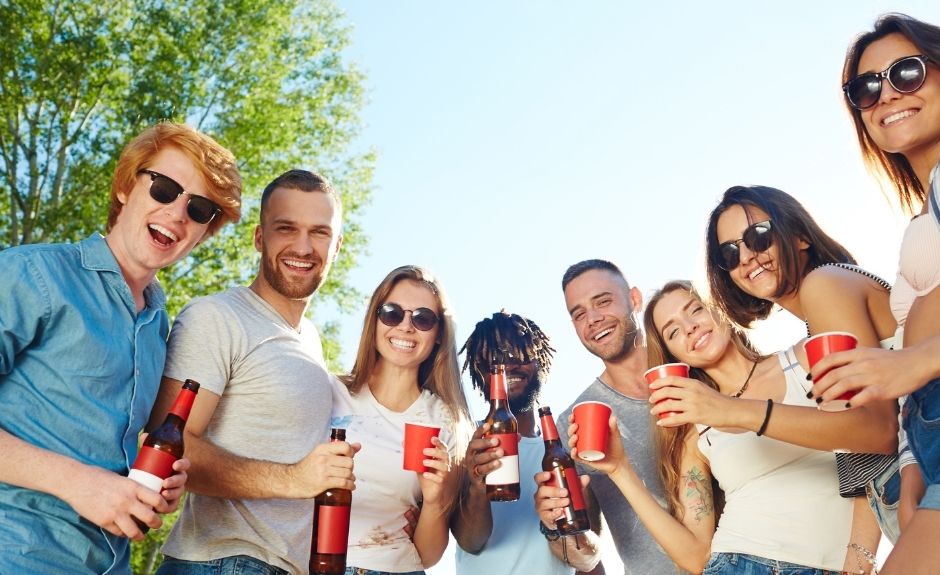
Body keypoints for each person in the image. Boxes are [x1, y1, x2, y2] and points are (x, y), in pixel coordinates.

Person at [0, 122, 242, 574]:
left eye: (200, 208)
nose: (176, 213)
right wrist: (75, 482)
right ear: (129, 187)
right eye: (165, 188)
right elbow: (81, 476)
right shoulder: (33, 275)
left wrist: (158, 482)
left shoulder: (157, 326)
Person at [150, 169, 358, 575]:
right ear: (260, 238)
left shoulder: (309, 340)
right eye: (286, 228)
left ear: (336, 246)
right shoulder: (217, 317)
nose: (303, 246)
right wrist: (296, 480)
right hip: (224, 561)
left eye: (319, 232)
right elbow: (170, 445)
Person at [704, 184, 903, 560]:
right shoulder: (820, 316)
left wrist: (732, 412)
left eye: (757, 236)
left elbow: (877, 431)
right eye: (729, 253)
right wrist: (858, 558)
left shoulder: (823, 285)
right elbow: (865, 446)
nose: (746, 257)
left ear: (798, 236)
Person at [810, 13, 940, 574]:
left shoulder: (830, 283)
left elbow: (868, 425)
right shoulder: (923, 214)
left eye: (906, 72)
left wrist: (914, 362)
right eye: (865, 87)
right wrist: (915, 464)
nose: (885, 93)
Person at [611, 280, 853, 574]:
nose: (689, 328)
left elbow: (869, 443)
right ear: (674, 356)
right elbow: (695, 557)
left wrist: (862, 557)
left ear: (719, 308)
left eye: (695, 310)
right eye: (673, 331)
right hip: (737, 564)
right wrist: (619, 470)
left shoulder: (802, 360)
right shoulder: (696, 428)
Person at [332, 265, 473, 575]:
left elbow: (427, 556)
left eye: (423, 318)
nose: (406, 327)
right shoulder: (329, 391)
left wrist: (435, 502)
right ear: (375, 319)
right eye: (392, 312)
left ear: (438, 335)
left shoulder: (447, 422)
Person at [452, 310, 602, 574]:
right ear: (481, 374)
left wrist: (562, 528)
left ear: (540, 362)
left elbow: (589, 562)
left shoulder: (569, 448)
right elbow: (471, 543)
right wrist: (476, 485)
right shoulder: (466, 441)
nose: (508, 365)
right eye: (495, 358)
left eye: (518, 353)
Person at [554, 259, 676, 574]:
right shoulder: (574, 422)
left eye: (603, 301)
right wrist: (556, 525)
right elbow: (585, 553)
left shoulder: (693, 370)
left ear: (634, 299)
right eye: (579, 313)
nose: (593, 319)